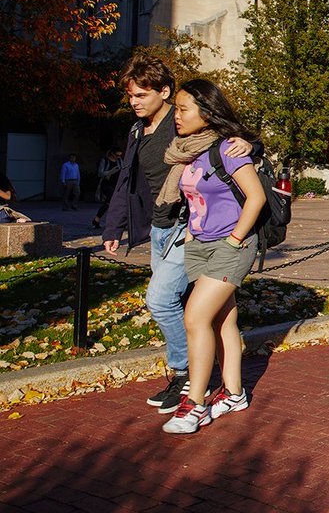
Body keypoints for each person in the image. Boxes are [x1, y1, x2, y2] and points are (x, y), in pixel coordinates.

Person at [103, 54, 254, 416]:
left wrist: (248, 144)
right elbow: (127, 179)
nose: (134, 102)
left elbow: (228, 139)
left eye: (141, 95)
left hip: (186, 228)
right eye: (131, 96)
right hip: (157, 227)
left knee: (161, 299)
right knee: (220, 316)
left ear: (164, 92)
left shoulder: (183, 120)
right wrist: (114, 225)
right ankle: (232, 389)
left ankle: (187, 376)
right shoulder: (138, 129)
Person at [161, 79, 264, 435]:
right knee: (222, 321)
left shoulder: (229, 149)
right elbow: (194, 197)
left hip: (229, 246)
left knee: (194, 318)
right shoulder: (188, 151)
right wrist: (192, 232)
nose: (177, 115)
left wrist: (235, 240)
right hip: (200, 246)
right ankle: (234, 393)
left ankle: (196, 403)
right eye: (176, 108)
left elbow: (256, 197)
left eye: (183, 109)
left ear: (206, 112)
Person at [91, 147, 123, 228]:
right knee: (114, 201)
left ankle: (96, 220)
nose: (118, 157)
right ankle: (115, 222)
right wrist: (110, 172)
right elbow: (100, 173)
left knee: (108, 203)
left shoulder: (119, 161)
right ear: (112, 154)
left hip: (116, 184)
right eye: (117, 155)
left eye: (120, 155)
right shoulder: (105, 161)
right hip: (106, 184)